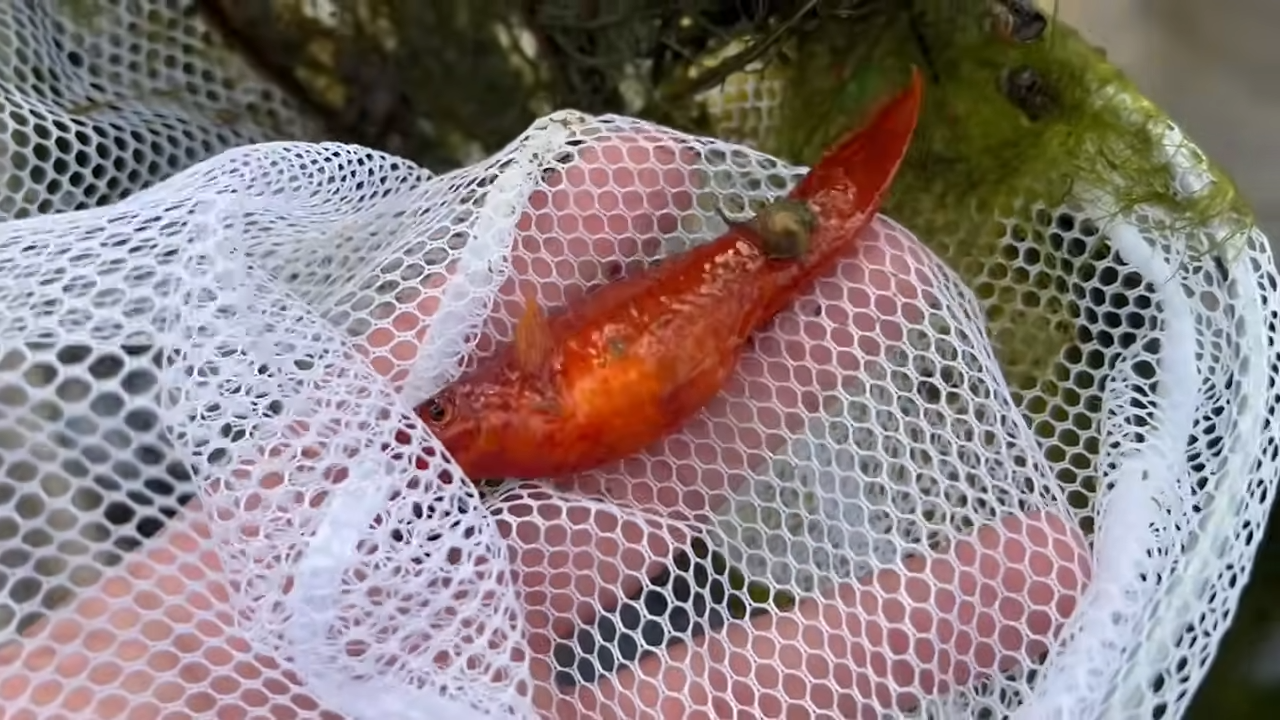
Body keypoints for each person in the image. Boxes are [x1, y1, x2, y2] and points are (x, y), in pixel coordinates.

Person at [0, 131, 1092, 719]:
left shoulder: (509, 411)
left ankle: (788, 240)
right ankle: (785, 241)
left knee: (745, 274)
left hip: (622, 366)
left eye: (440, 416)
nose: (434, 429)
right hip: (603, 387)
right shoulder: (501, 428)